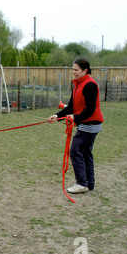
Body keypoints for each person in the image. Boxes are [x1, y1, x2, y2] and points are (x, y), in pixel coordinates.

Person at [47, 59, 104, 193]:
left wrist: (76, 117)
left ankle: (82, 183)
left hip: (90, 124)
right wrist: (57, 116)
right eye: (72, 69)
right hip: (85, 123)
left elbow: (90, 108)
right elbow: (71, 107)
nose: (73, 72)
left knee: (75, 151)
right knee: (85, 153)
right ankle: (90, 183)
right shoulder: (78, 85)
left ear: (85, 71)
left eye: (76, 70)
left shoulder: (90, 85)